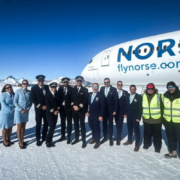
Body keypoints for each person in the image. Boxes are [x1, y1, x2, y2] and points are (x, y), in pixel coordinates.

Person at [142, 83, 163, 153]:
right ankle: (146, 145)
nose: (150, 90)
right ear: (146, 89)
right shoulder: (143, 96)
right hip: (147, 119)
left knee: (157, 135)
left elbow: (163, 107)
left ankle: (157, 147)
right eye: (149, 89)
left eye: (151, 89)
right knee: (146, 134)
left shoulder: (159, 96)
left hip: (156, 120)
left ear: (154, 89)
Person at [162, 81, 180, 158]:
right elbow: (162, 108)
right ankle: (173, 152)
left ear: (175, 87)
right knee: (170, 138)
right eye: (169, 87)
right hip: (168, 121)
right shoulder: (164, 96)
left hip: (178, 122)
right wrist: (164, 120)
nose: (170, 89)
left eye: (172, 87)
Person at [31, 75, 49, 146]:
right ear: (37, 81)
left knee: (46, 124)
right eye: (39, 81)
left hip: (46, 109)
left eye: (42, 81)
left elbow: (49, 97)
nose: (41, 82)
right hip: (39, 109)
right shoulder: (34, 88)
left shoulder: (47, 87)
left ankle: (44, 137)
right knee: (38, 124)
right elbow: (33, 99)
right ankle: (38, 139)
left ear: (43, 81)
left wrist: (47, 106)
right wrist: (41, 106)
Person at [14, 80, 32, 149]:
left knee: (24, 126)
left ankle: (22, 139)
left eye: (26, 83)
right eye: (23, 83)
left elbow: (30, 102)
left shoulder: (29, 92)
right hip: (19, 111)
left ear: (28, 84)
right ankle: (20, 141)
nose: (25, 84)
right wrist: (20, 109)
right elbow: (15, 102)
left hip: (26, 111)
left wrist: (27, 109)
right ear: (22, 84)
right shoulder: (18, 91)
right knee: (19, 126)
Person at [71, 76, 88, 148]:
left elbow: (85, 101)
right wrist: (73, 106)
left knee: (82, 126)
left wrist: (79, 107)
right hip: (74, 110)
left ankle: (84, 140)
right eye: (78, 81)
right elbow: (71, 99)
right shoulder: (73, 89)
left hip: (81, 111)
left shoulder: (85, 90)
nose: (79, 82)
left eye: (80, 81)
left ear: (82, 82)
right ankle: (77, 138)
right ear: (76, 81)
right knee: (76, 125)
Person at [100, 78, 118, 146]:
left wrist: (115, 110)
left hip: (111, 110)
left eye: (107, 82)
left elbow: (116, 101)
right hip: (104, 110)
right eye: (105, 82)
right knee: (104, 124)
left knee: (110, 125)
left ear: (109, 82)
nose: (106, 83)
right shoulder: (102, 89)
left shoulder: (113, 89)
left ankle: (110, 138)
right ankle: (105, 137)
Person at [124, 85, 142, 152]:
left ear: (135, 89)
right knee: (129, 129)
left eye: (134, 89)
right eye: (131, 89)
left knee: (136, 131)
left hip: (135, 117)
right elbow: (126, 105)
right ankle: (129, 140)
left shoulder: (139, 97)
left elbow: (140, 108)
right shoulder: (127, 96)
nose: (132, 90)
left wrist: (139, 117)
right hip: (129, 116)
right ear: (129, 89)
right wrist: (125, 113)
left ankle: (137, 144)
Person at [86, 83, 105, 149]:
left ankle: (97, 142)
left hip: (97, 115)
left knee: (97, 128)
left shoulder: (101, 95)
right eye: (94, 87)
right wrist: (86, 111)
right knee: (92, 127)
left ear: (98, 88)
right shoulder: (89, 94)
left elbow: (103, 107)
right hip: (90, 115)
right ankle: (94, 138)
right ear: (92, 87)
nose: (95, 88)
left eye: (96, 87)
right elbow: (86, 104)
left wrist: (101, 115)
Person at [58, 77, 73, 144]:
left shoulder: (71, 89)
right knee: (62, 122)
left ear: (68, 82)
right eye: (64, 82)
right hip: (62, 108)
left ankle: (69, 136)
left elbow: (73, 98)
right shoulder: (60, 88)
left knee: (69, 123)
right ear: (62, 83)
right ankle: (63, 135)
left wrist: (71, 105)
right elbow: (58, 98)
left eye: (66, 82)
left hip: (68, 108)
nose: (65, 83)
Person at [45, 82, 60, 148]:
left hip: (56, 113)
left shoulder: (57, 94)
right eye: (52, 87)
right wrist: (53, 111)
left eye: (55, 87)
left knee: (53, 127)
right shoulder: (47, 94)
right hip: (49, 114)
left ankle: (50, 141)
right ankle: (47, 141)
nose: (54, 88)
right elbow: (48, 105)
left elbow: (59, 103)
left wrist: (58, 110)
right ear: (50, 88)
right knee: (51, 127)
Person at [115, 81, 128, 145]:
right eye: (119, 85)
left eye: (121, 85)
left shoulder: (125, 92)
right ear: (117, 85)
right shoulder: (114, 92)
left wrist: (125, 112)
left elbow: (126, 104)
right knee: (115, 124)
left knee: (119, 124)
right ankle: (117, 136)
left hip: (121, 112)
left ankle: (118, 138)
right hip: (114, 111)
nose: (120, 86)